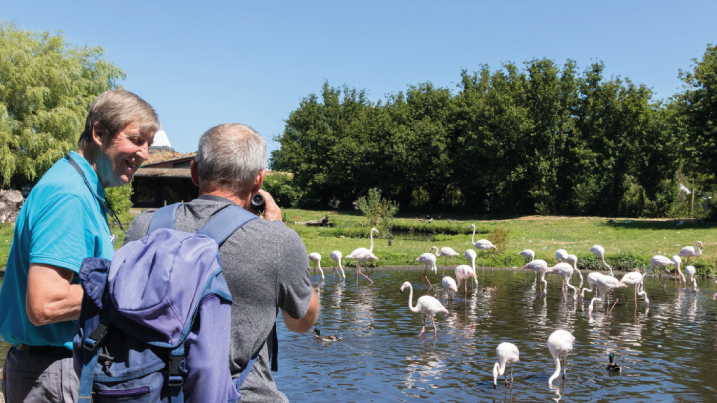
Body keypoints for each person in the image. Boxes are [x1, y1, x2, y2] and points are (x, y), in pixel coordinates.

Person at [123, 123, 320, 402]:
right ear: (259, 181)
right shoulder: (278, 241)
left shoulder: (144, 227)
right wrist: (277, 231)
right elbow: (300, 322)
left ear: (194, 172)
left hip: (149, 393)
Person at [0, 89, 159, 402]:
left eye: (149, 145)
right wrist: (133, 286)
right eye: (136, 140)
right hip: (55, 372)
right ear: (99, 133)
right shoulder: (69, 196)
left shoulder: (79, 187)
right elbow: (46, 304)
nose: (145, 154)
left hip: (52, 369)